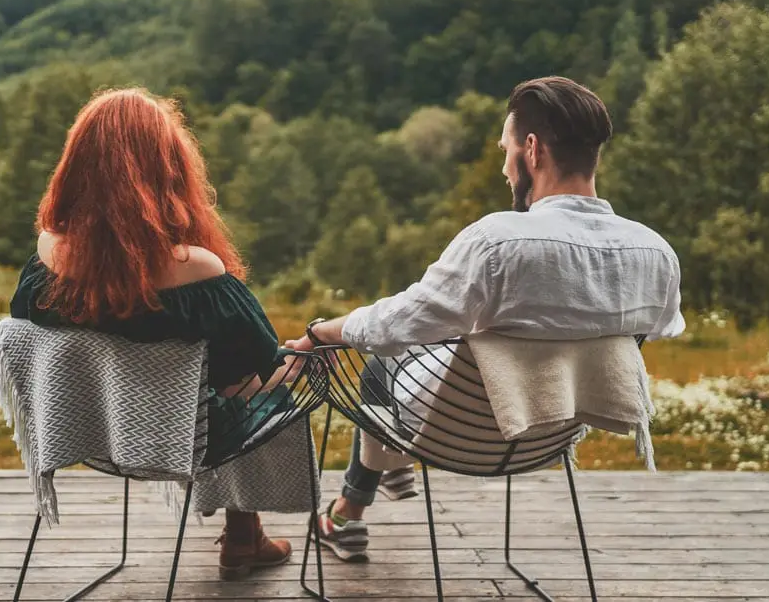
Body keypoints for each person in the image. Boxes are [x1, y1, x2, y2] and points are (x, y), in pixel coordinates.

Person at [287, 76, 686, 563]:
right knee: (446, 335)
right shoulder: (654, 251)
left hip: (457, 432)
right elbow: (660, 328)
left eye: (506, 148)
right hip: (552, 428)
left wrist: (318, 331)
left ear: (532, 150)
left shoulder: (499, 240)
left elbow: (395, 325)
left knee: (379, 357)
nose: (503, 166)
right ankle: (374, 486)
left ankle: (353, 506)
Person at [9, 87, 298, 579]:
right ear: (168, 172)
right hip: (182, 437)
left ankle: (246, 536)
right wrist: (302, 356)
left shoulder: (49, 254)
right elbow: (256, 368)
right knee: (264, 389)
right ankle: (246, 535)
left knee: (227, 386)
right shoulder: (199, 272)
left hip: (87, 427)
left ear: (78, 168)